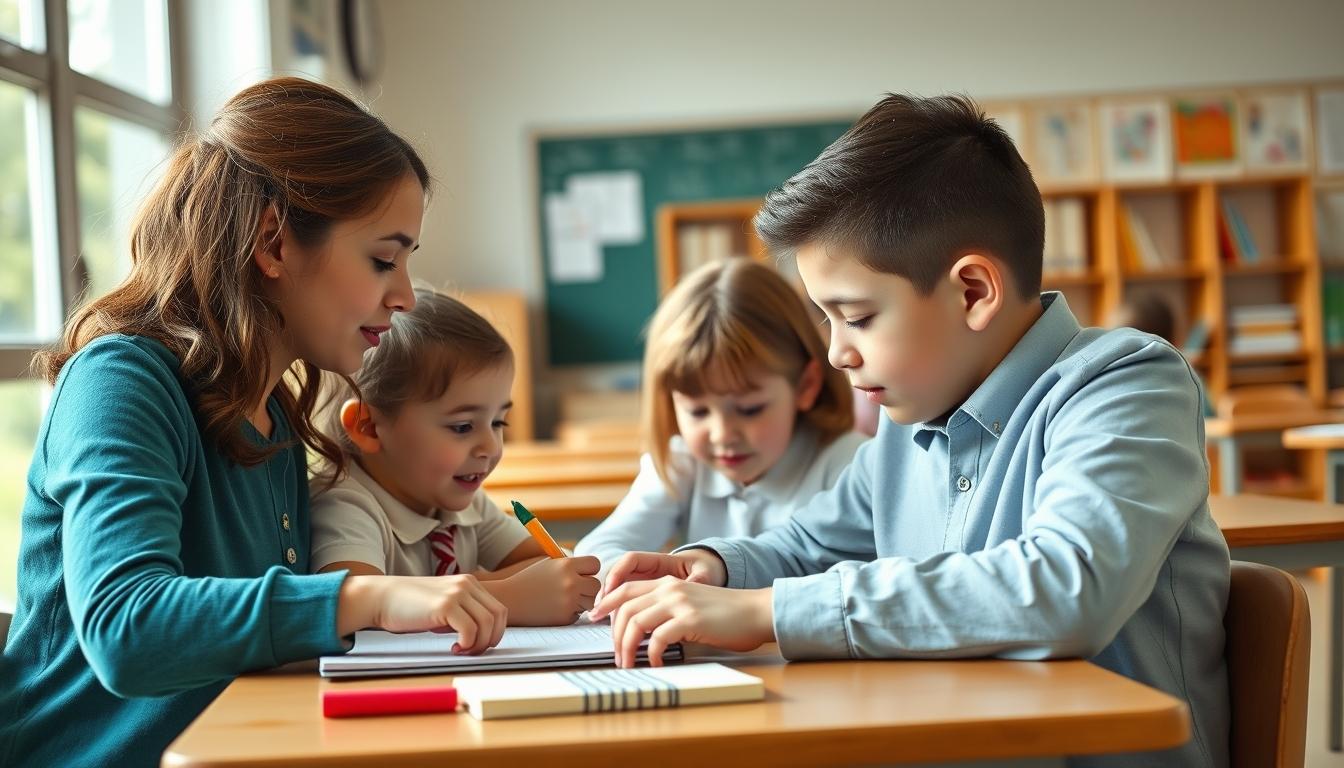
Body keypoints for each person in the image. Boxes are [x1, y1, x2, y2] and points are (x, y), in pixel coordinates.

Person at [592, 94, 1229, 768]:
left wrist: (765, 612)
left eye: (857, 318)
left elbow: (1066, 588)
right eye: (826, 320)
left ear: (973, 292)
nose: (837, 353)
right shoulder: (911, 420)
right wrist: (716, 567)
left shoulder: (1125, 384)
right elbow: (815, 543)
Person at [0, 78, 507, 767]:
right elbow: (128, 627)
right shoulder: (121, 381)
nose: (405, 295)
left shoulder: (275, 415)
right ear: (274, 242)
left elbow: (262, 644)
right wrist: (366, 597)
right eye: (383, 259)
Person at [311, 285, 600, 625]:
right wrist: (507, 594)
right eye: (463, 427)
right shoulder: (344, 506)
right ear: (369, 427)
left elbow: (547, 566)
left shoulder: (465, 505)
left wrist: (543, 581)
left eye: (498, 421)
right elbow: (356, 604)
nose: (491, 447)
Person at [575, 259, 866, 575]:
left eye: (750, 409)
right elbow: (594, 554)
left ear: (806, 386)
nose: (723, 434)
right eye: (698, 411)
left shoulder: (850, 465)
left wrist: (692, 580)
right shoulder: (682, 462)